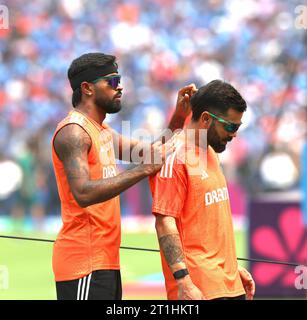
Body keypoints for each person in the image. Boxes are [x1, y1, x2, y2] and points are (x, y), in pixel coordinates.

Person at [51, 52, 196, 300]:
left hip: (105, 262)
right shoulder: (74, 132)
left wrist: (179, 117)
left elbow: (152, 153)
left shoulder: (102, 131)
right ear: (87, 88)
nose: (120, 88)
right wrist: (143, 170)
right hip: (83, 264)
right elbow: (83, 193)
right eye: (113, 81)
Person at [149, 80, 256, 300]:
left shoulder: (211, 151)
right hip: (199, 290)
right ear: (206, 119)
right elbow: (164, 222)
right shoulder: (176, 156)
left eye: (237, 127)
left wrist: (231, 269)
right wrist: (183, 281)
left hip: (228, 283)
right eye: (230, 126)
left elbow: (208, 223)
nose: (234, 134)